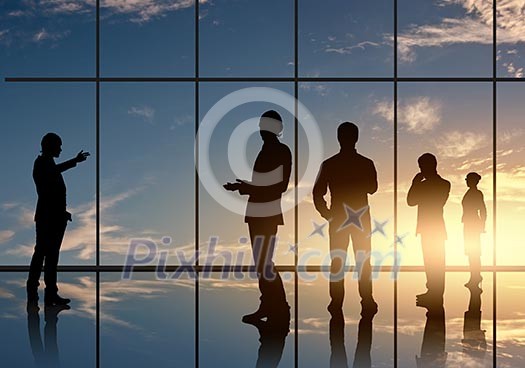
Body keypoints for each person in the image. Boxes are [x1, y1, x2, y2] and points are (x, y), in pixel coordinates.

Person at [224, 110, 291, 323]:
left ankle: (279, 305)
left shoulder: (281, 151)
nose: (262, 130)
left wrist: (246, 188)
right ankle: (269, 304)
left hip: (267, 213)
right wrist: (242, 187)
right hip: (257, 212)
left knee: (264, 261)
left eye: (266, 125)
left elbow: (279, 185)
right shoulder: (265, 150)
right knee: (261, 262)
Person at [312, 122, 378, 314]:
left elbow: (318, 194)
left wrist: (327, 213)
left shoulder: (331, 164)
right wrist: (327, 213)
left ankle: (347, 301)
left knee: (342, 261)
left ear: (339, 138)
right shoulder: (364, 163)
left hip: (343, 219)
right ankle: (363, 300)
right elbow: (372, 188)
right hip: (354, 219)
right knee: (359, 260)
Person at [26, 133, 90, 307]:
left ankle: (50, 294)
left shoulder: (47, 164)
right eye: (58, 145)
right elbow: (49, 189)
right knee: (42, 254)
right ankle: (34, 291)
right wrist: (74, 161)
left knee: (50, 256)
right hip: (48, 218)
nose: (60, 149)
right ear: (50, 146)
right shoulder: (42, 164)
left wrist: (63, 212)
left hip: (55, 217)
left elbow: (53, 194)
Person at [407, 153, 450, 306]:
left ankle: (436, 293)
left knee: (435, 261)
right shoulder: (443, 184)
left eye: (422, 166)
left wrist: (416, 184)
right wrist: (416, 184)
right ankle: (433, 291)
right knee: (431, 261)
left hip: (433, 227)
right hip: (430, 227)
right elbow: (411, 202)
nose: (421, 169)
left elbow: (411, 201)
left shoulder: (443, 184)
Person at [461, 172, 486, 288]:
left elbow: (483, 209)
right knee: (471, 252)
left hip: (473, 224)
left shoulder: (477, 193)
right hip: (468, 223)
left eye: (467, 179)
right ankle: (474, 276)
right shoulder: (470, 192)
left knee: (474, 252)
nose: (466, 181)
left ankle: (475, 276)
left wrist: (482, 225)